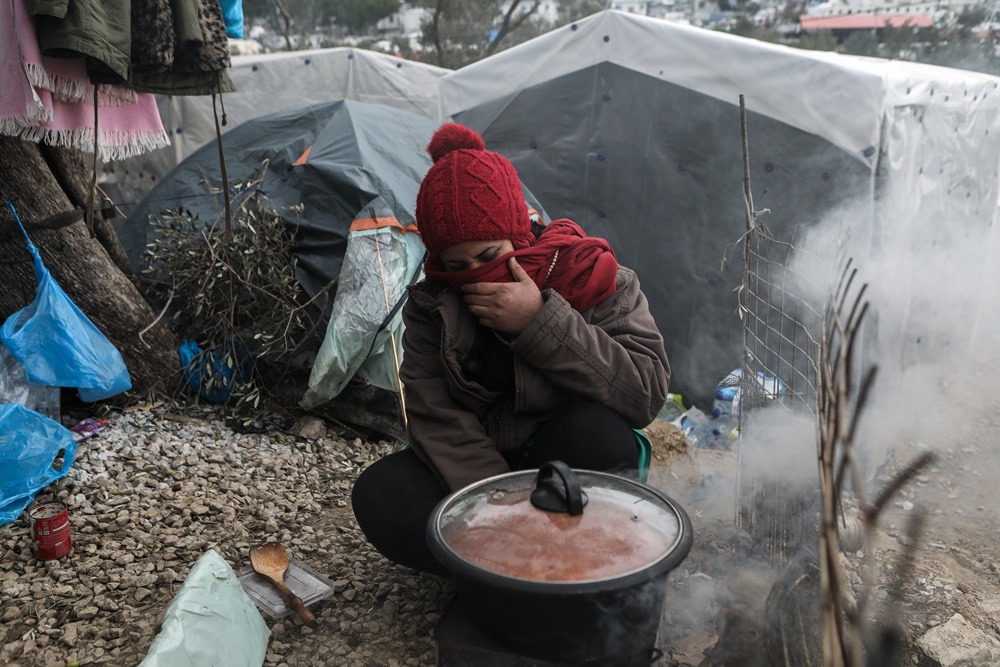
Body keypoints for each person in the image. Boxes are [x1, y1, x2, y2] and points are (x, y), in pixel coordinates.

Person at [351, 123, 670, 574]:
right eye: (455, 265)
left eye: (489, 256)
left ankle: (555, 561)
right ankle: (505, 566)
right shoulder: (433, 307)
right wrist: (499, 507)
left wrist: (539, 321)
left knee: (596, 433)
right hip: (482, 472)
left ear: (520, 236)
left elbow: (643, 394)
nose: (476, 276)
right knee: (382, 492)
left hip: (563, 459)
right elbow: (436, 417)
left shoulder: (597, 277)